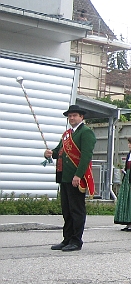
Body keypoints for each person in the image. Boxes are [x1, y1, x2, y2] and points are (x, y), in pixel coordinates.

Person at [46, 104, 96, 252]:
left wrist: (78, 175)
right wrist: (50, 153)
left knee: (76, 210)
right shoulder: (67, 134)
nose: (72, 118)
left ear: (81, 117)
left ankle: (76, 240)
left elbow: (86, 156)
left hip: (76, 177)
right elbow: (59, 152)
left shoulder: (86, 132)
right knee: (66, 210)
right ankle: (67, 238)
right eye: (70, 116)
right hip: (65, 176)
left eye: (74, 115)